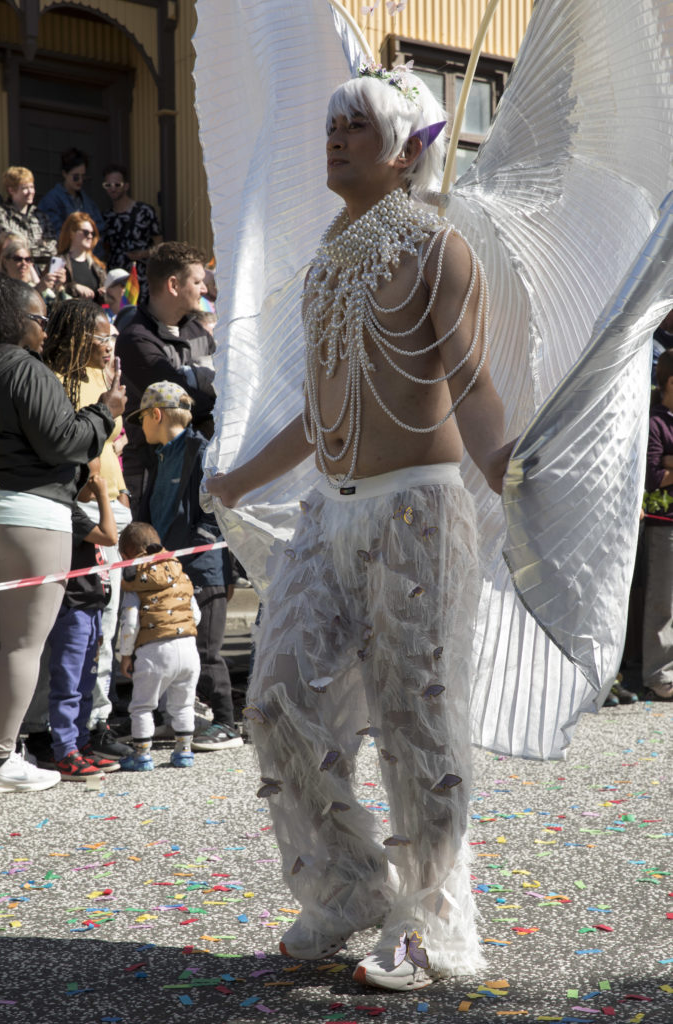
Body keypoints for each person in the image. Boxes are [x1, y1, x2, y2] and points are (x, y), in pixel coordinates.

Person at [206, 63, 510, 991]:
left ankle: (432, 923)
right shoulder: (330, 256)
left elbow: (467, 382)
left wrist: (517, 483)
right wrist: (237, 478)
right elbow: (318, 410)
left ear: (405, 147)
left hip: (416, 512)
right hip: (326, 515)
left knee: (418, 724)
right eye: (330, 123)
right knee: (276, 699)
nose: (334, 137)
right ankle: (348, 886)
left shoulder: (437, 248)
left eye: (356, 125)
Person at [0, 272, 126, 794]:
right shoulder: (24, 369)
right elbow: (64, 444)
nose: (45, 331)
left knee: (2, 643)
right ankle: (0, 757)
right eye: (39, 318)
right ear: (16, 320)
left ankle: (1, 748)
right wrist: (105, 412)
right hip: (32, 519)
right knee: (23, 645)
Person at [42, 300, 133, 760]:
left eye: (112, 336)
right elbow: (76, 449)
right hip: (78, 511)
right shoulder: (50, 382)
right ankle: (59, 736)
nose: (109, 345)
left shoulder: (102, 377)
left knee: (103, 628)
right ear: (78, 337)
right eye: (101, 337)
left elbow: (109, 445)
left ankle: (89, 727)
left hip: (111, 505)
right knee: (68, 638)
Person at [131, 381, 241, 752]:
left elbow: (214, 517)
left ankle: (227, 722)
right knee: (166, 646)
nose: (140, 427)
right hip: (167, 574)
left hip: (203, 571)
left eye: (142, 418)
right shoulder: (160, 456)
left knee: (205, 651)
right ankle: (174, 719)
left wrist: (186, 554)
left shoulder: (200, 451)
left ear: (156, 414)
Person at [116, 241, 216, 512]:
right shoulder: (135, 340)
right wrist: (210, 386)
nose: (205, 289)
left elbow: (226, 387)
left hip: (199, 468)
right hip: (153, 476)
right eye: (197, 282)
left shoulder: (197, 331)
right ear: (173, 285)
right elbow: (182, 406)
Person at [46, 459, 120, 780]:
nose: (97, 481)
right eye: (91, 479)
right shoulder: (68, 511)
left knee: (86, 680)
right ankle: (64, 750)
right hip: (73, 606)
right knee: (69, 682)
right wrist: (103, 494)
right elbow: (110, 536)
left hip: (91, 604)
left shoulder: (78, 510)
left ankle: (81, 743)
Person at [117, 521, 201, 771]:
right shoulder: (181, 574)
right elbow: (195, 614)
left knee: (143, 705)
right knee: (184, 703)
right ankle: (184, 751)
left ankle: (142, 755)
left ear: (125, 555)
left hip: (154, 650)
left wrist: (125, 655)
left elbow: (130, 622)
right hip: (188, 647)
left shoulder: (135, 580)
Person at [641, 348, 673, 701]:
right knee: (662, 602)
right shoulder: (655, 422)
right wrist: (666, 466)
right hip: (663, 521)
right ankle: (658, 675)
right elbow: (652, 475)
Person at [101, 164, 162, 305]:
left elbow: (159, 245)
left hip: (141, 278)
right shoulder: (105, 217)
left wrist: (143, 254)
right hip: (116, 279)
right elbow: (105, 249)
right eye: (108, 185)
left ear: (126, 186)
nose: (112, 188)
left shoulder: (144, 211)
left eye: (117, 184)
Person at [38, 147, 104, 244]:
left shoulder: (87, 202)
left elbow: (100, 228)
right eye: (76, 177)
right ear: (65, 173)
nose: (80, 181)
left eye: (83, 176)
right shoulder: (51, 200)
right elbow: (55, 233)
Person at [0, 166, 56, 261]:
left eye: (32, 187)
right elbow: (10, 245)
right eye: (25, 188)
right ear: (11, 190)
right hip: (15, 269)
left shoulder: (40, 215)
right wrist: (40, 247)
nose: (30, 192)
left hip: (42, 270)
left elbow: (52, 247)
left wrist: (27, 250)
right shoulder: (1, 214)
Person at [57, 212, 107, 303]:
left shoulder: (97, 266)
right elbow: (50, 291)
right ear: (72, 233)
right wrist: (73, 287)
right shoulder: (59, 262)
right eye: (86, 232)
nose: (90, 236)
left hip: (94, 315)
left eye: (93, 233)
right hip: (69, 314)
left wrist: (106, 292)